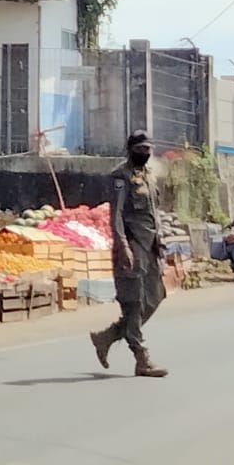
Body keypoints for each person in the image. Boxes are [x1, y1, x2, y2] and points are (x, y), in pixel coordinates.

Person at [89, 130, 168, 378]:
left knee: (155, 297)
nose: (144, 153)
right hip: (132, 245)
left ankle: (108, 336)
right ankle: (141, 357)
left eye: (148, 149)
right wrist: (122, 245)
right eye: (140, 149)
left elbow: (154, 212)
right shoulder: (120, 177)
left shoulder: (149, 176)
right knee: (134, 302)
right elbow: (116, 215)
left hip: (150, 244)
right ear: (130, 149)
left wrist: (160, 240)